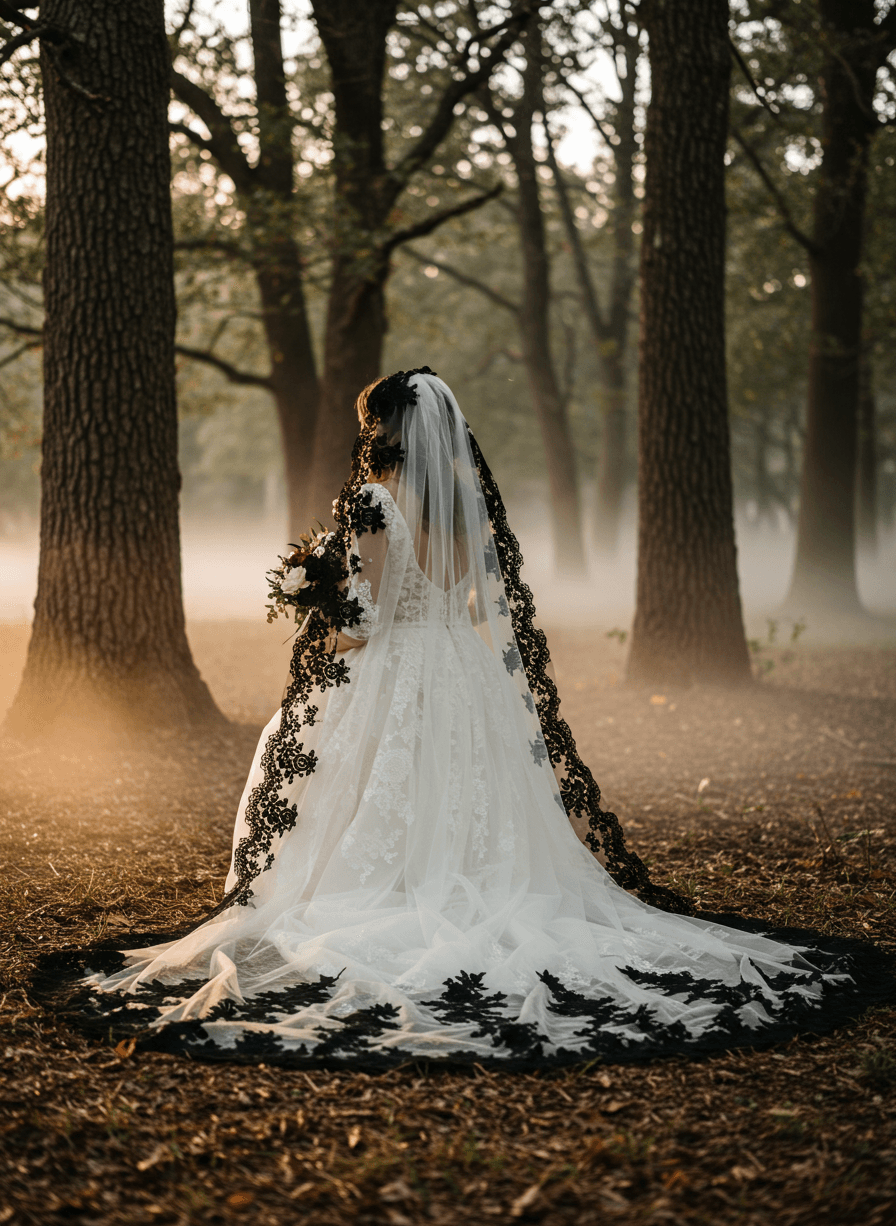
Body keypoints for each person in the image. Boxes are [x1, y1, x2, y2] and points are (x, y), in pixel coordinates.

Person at [74, 370, 888, 1066]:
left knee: (371, 777)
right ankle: (462, 879)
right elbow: (452, 596)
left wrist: (312, 599)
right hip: (460, 667)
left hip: (394, 668)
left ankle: (388, 887)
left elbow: (365, 624)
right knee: (462, 784)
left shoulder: (368, 503)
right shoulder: (463, 504)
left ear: (383, 428)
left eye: (370, 424)